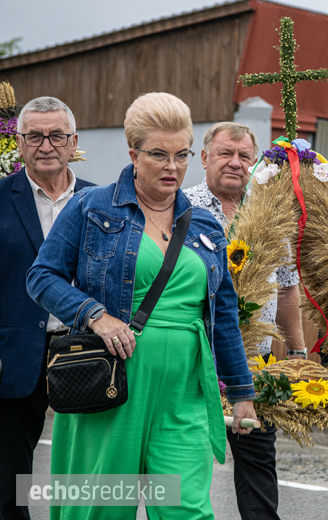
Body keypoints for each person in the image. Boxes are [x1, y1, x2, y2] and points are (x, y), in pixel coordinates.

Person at [26, 92, 257, 520]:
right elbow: (41, 277)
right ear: (133, 153)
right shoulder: (91, 207)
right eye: (158, 154)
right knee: (99, 508)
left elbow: (222, 315)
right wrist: (94, 315)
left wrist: (242, 393)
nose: (172, 167)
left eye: (181, 154)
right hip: (112, 381)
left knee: (187, 509)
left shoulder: (206, 225)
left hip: (185, 390)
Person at [185, 121, 305, 520]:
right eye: (225, 153)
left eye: (244, 157)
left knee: (257, 466)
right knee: (186, 470)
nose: (235, 163)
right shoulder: (182, 207)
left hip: (254, 367)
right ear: (204, 158)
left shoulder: (267, 214)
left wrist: (298, 353)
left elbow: (287, 287)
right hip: (192, 364)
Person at [0, 97, 94, 520]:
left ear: (73, 141)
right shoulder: (1, 198)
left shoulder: (102, 201)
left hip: (87, 350)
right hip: (14, 353)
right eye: (34, 136)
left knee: (91, 469)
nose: (46, 145)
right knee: (8, 478)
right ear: (19, 143)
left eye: (56, 135)